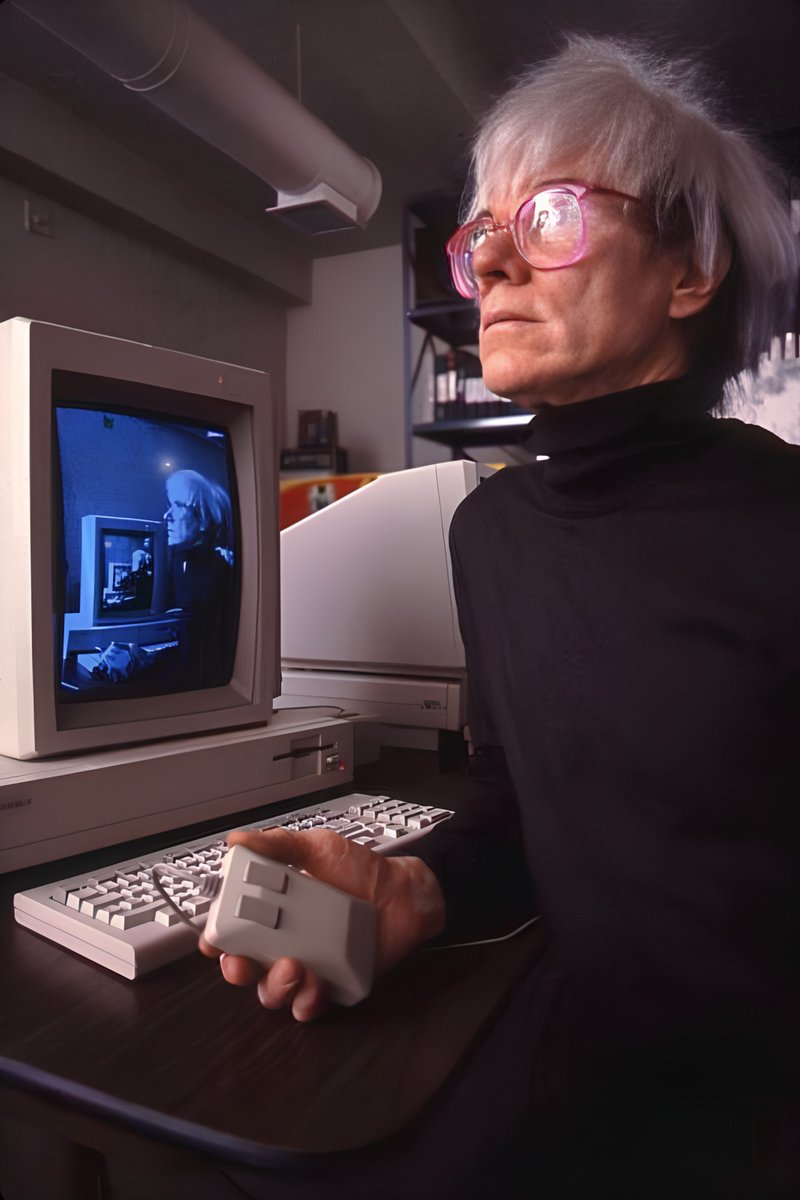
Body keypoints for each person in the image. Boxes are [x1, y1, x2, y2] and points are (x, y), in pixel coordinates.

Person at [201, 35, 800, 1196]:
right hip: (586, 1046)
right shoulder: (490, 534)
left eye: (554, 217)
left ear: (689, 272)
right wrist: (412, 889)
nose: (498, 266)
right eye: (482, 239)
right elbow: (521, 806)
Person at [164, 468, 236, 687]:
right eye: (169, 505)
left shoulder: (219, 571)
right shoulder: (177, 557)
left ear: (204, 518)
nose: (167, 516)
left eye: (178, 506)